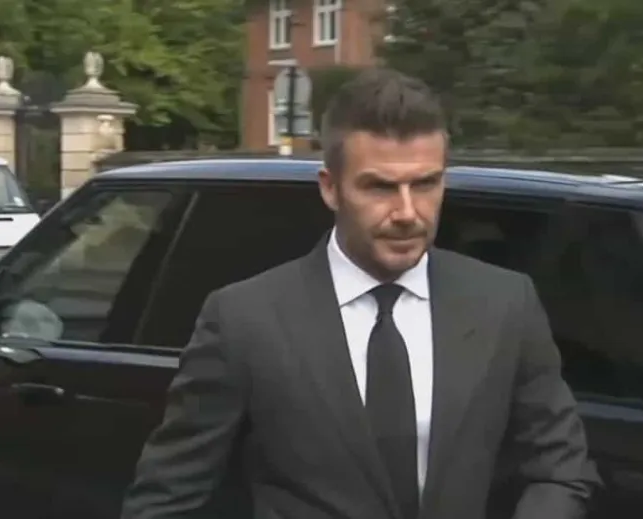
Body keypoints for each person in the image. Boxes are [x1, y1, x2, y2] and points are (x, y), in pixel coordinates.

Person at [121, 67, 598, 519]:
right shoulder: (244, 321)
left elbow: (561, 470)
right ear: (331, 189)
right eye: (380, 188)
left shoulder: (505, 303)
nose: (408, 212)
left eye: (425, 184)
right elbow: (166, 501)